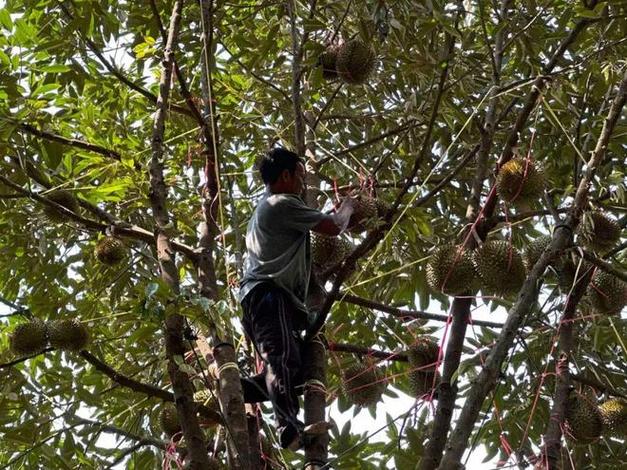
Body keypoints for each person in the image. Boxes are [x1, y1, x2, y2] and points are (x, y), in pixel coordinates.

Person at [239, 147, 354, 450]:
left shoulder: (270, 207)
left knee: (295, 369)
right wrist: (350, 206)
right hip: (268, 295)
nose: (303, 183)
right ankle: (288, 429)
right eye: (301, 176)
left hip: (266, 301)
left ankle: (234, 390)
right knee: (281, 359)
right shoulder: (280, 203)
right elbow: (333, 226)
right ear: (287, 175)